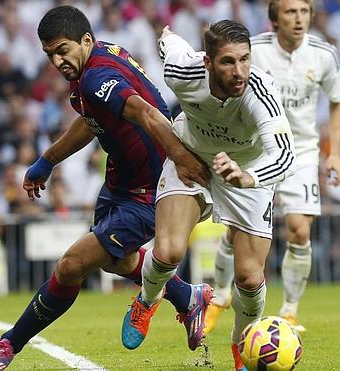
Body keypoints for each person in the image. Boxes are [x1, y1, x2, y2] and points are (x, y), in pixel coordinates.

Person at [0, 6, 212, 370]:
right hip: (119, 181)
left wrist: (180, 158)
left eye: (62, 49)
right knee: (120, 262)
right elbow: (94, 118)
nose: (56, 60)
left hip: (149, 189)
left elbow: (147, 113)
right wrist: (48, 159)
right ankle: (187, 296)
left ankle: (7, 345)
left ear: (85, 40)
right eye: (49, 54)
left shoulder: (95, 76)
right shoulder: (95, 64)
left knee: (71, 266)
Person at [121, 21, 296, 371]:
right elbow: (170, 46)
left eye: (245, 60)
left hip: (248, 173)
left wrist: (248, 177)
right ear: (207, 62)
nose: (239, 71)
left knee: (248, 277)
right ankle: (146, 300)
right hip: (192, 157)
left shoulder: (259, 92)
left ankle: (243, 348)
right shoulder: (181, 72)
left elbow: (285, 155)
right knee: (168, 251)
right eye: (228, 62)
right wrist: (167, 37)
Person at [204, 0, 340, 334]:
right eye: (290, 12)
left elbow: (338, 102)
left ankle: (290, 311)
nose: (299, 19)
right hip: (256, 150)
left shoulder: (324, 55)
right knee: (237, 230)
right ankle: (220, 296)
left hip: (302, 152)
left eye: (304, 12)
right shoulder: (253, 52)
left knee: (299, 229)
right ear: (274, 19)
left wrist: (335, 153)